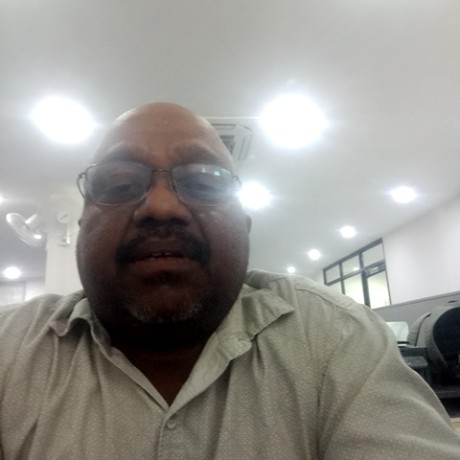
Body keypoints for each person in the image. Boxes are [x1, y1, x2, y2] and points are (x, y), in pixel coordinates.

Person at [0, 102, 459, 459]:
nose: (161, 206)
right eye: (119, 185)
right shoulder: (10, 350)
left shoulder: (336, 339)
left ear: (246, 227)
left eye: (203, 184)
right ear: (83, 224)